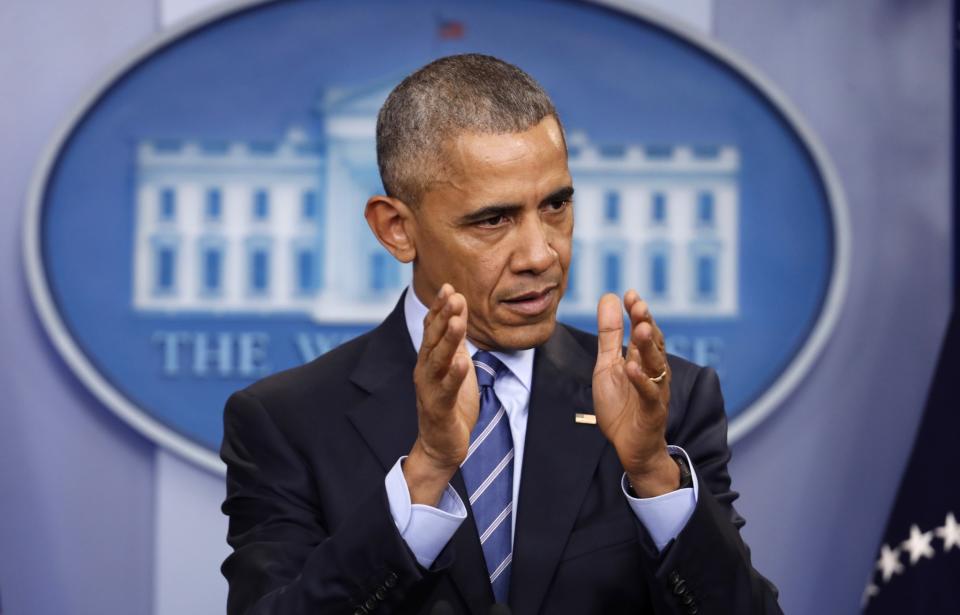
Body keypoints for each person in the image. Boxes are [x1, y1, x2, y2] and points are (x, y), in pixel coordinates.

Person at [220, 53, 782, 615]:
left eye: (557, 205)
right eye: (493, 220)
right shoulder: (287, 421)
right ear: (396, 229)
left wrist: (654, 475)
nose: (541, 255)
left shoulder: (669, 403)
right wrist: (427, 472)